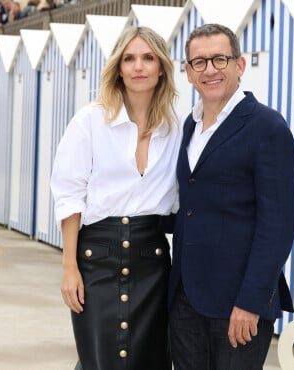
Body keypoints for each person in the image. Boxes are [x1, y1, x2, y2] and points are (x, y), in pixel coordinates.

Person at [169, 23, 294, 370]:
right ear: (188, 72)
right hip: (185, 299)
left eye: (219, 59)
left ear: (239, 65)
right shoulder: (189, 126)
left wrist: (251, 302)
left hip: (237, 304)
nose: (209, 69)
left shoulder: (267, 127)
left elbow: (278, 226)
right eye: (199, 62)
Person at [50, 26, 180, 370]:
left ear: (162, 67)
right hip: (97, 259)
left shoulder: (176, 127)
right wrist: (69, 267)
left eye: (148, 58)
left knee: (151, 359)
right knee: (100, 360)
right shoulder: (90, 121)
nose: (139, 66)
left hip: (152, 262)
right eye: (130, 58)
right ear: (118, 67)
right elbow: (69, 193)